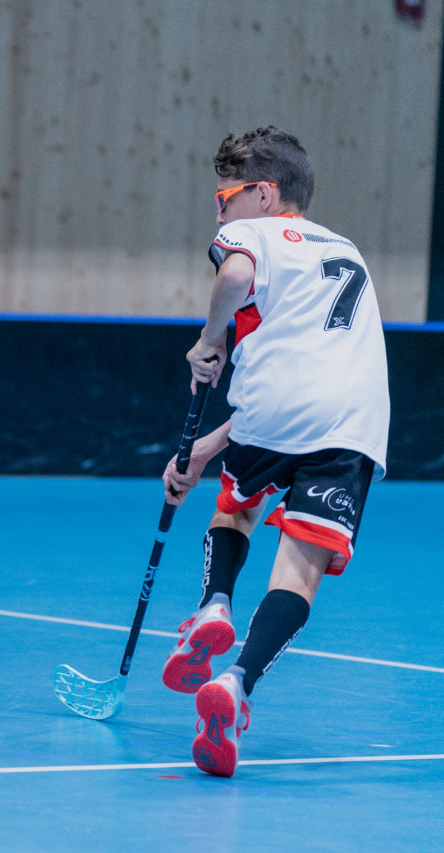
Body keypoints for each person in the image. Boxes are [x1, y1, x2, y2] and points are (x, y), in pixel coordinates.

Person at [160, 127, 389, 777]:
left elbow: (234, 274)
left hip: (272, 416)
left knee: (234, 511)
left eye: (226, 196)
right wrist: (203, 448)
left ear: (265, 193)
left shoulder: (255, 235)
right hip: (353, 425)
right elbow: (311, 374)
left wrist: (211, 340)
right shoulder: (347, 251)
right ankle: (235, 684)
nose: (220, 210)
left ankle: (214, 604)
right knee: (300, 572)